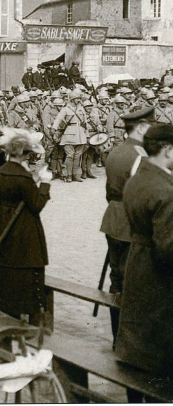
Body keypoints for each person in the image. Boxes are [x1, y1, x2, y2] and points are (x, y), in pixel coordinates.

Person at [116, 124, 173, 382]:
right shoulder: (166, 191)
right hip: (160, 280)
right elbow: (168, 250)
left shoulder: (137, 180)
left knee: (139, 343)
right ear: (168, 151)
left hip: (137, 263)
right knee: (159, 350)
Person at [99, 106, 154, 346]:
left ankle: (116, 336)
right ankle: (129, 340)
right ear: (142, 127)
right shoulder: (141, 155)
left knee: (117, 279)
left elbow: (109, 189)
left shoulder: (116, 150)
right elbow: (142, 195)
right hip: (132, 223)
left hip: (112, 218)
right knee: (136, 281)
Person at [0, 128, 53, 326]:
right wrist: (44, 184)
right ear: (24, 154)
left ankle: (9, 312)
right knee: (28, 269)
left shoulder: (0, 172)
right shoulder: (23, 177)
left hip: (5, 222)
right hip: (25, 227)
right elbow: (36, 205)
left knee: (9, 267)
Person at [53, 88, 88, 182]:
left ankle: (75, 175)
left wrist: (87, 134)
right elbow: (58, 119)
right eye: (77, 98)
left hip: (80, 134)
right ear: (72, 99)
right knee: (70, 156)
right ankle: (68, 175)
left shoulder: (81, 109)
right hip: (69, 135)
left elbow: (85, 122)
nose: (79, 100)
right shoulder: (65, 109)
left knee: (78, 156)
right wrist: (54, 129)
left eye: (80, 98)